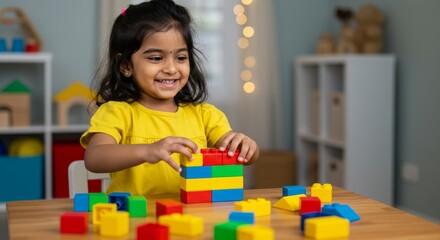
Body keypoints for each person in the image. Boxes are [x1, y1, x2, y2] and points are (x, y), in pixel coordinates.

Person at [80, 0, 259, 195]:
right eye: (156, 58)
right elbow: (95, 158)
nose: (171, 69)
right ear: (126, 66)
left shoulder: (206, 115)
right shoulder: (116, 113)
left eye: (181, 58)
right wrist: (148, 151)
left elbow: (246, 157)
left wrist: (247, 146)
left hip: (192, 219)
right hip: (134, 220)